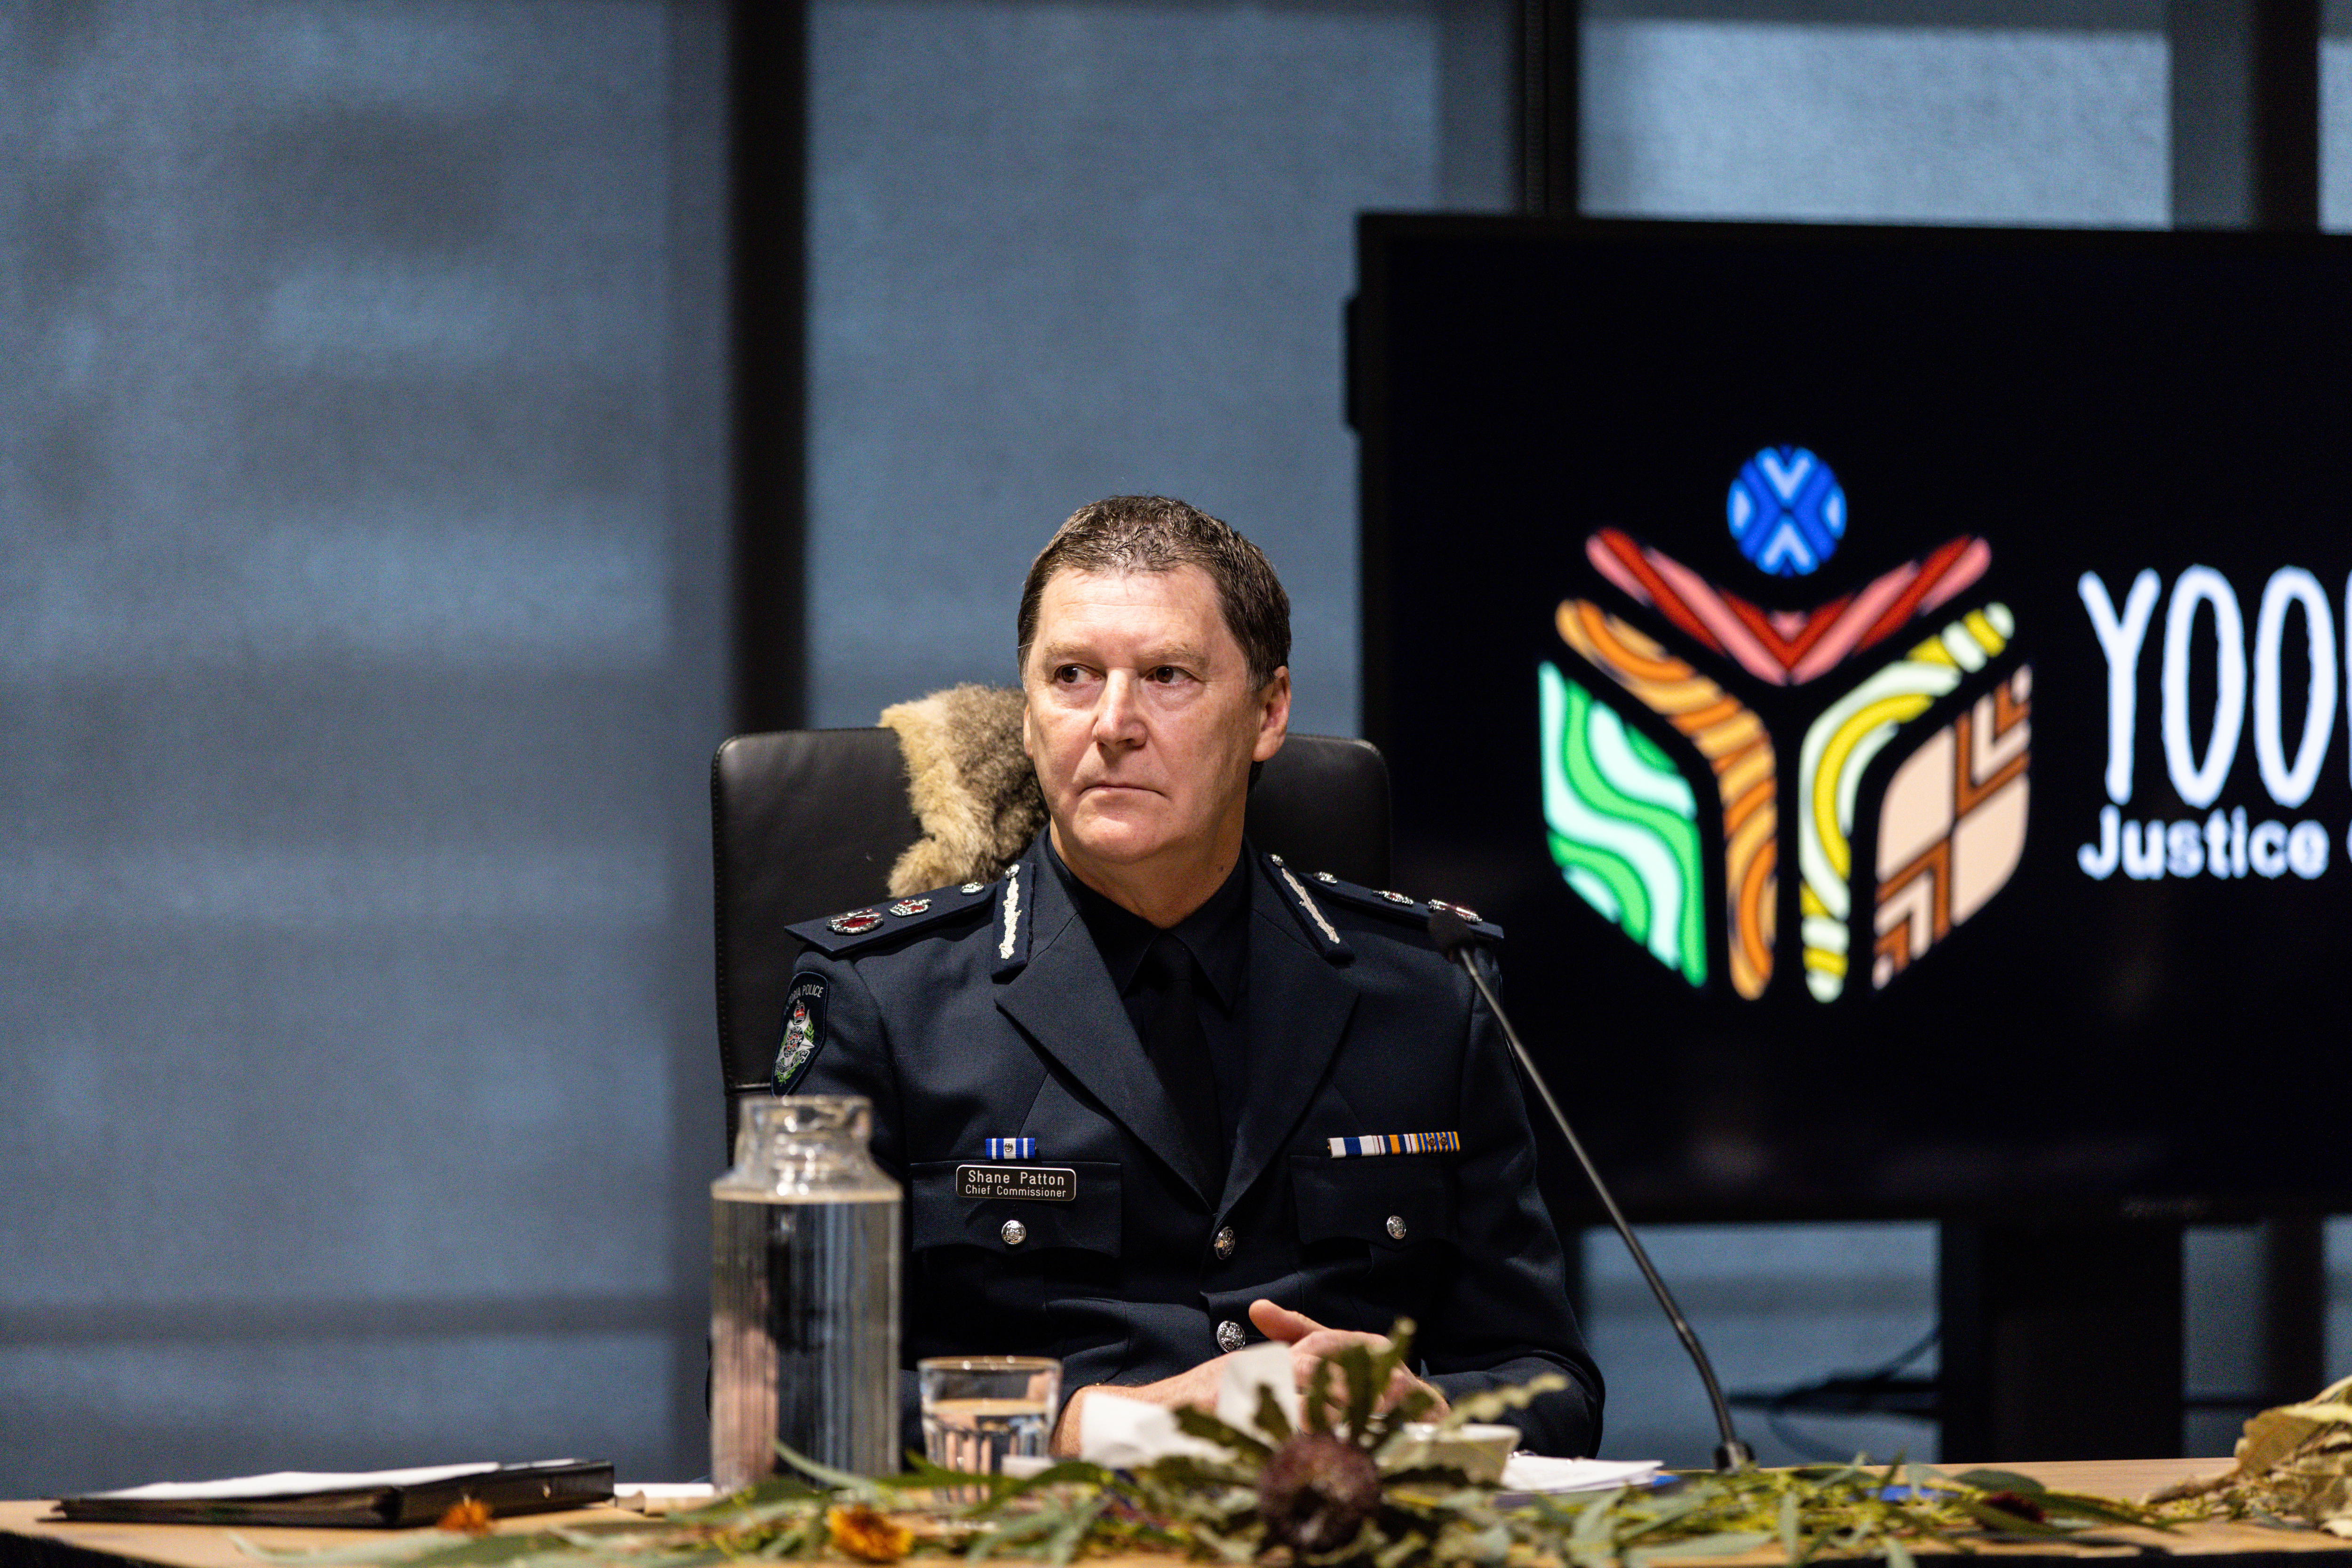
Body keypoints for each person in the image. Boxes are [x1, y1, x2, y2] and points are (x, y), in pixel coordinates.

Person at [779, 495, 1602, 1458]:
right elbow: (788, 1389)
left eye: (1167, 675)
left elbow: (1550, 1380)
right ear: (1030, 713)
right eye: (1072, 676)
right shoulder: (886, 1000)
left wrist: (1425, 1411)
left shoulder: (1431, 993)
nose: (1112, 724)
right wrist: (1113, 1424)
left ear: (1268, 711)